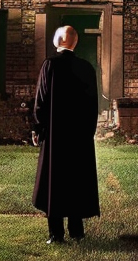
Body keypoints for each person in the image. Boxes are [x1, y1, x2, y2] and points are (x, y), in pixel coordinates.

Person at [32, 24, 100, 243]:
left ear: (57, 41)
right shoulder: (86, 67)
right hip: (79, 136)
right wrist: (88, 132)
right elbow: (92, 105)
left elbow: (41, 100)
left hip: (56, 135)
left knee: (55, 181)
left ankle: (56, 234)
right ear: (74, 42)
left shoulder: (50, 65)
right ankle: (77, 231)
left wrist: (38, 127)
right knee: (76, 180)